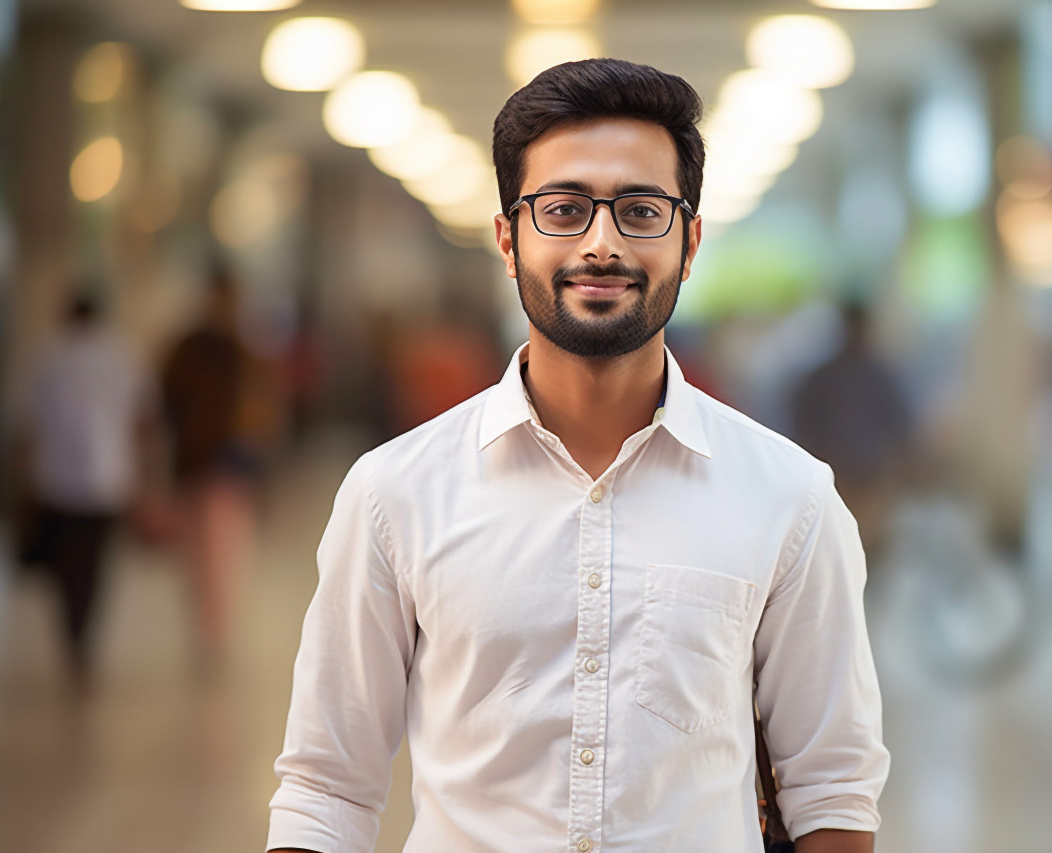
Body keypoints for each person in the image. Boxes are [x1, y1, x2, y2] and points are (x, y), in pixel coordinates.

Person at [267, 59, 888, 853]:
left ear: (690, 241)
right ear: (508, 236)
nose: (601, 244)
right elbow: (327, 786)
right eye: (562, 209)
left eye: (639, 210)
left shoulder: (790, 498)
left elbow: (831, 789)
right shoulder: (394, 493)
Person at [15, 290, 155, 690]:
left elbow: (26, 425)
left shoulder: (47, 356)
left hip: (56, 481)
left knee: (65, 566)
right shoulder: (120, 356)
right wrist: (144, 475)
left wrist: (23, 477)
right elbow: (142, 419)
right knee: (93, 565)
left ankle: (72, 635)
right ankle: (83, 637)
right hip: (106, 480)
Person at [161, 267, 274, 669]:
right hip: (200, 462)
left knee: (220, 550)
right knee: (203, 552)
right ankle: (208, 626)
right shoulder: (197, 348)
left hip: (227, 464)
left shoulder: (237, 348)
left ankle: (214, 628)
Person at [791, 301, 913, 561]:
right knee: (838, 541)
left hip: (869, 473)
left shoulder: (877, 375)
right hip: (838, 473)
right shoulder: (827, 377)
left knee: (864, 540)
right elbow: (804, 422)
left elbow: (899, 426)